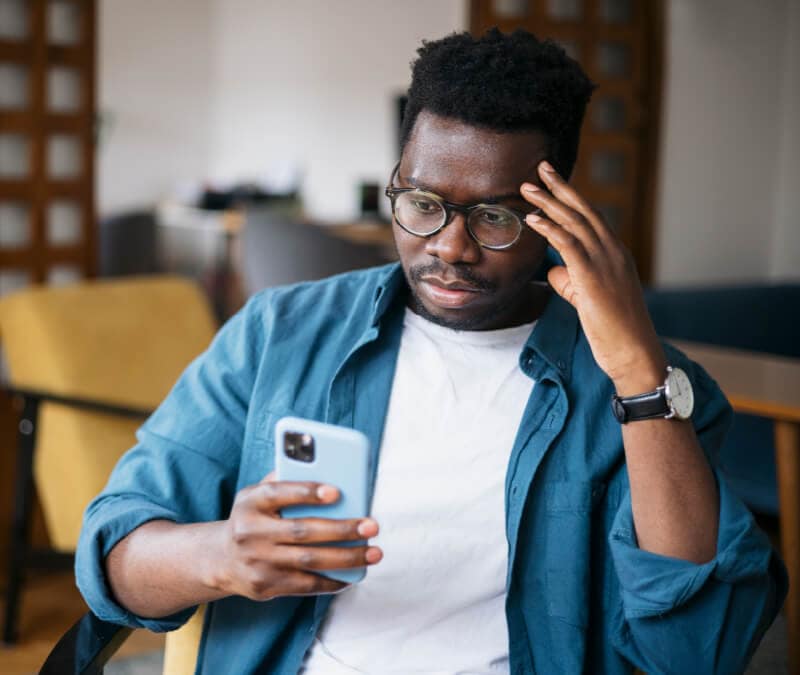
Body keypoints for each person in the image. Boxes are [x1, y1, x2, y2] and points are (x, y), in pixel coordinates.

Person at [76, 29, 786, 674]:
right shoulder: (280, 333)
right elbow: (113, 553)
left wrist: (638, 374)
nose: (450, 245)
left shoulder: (648, 389)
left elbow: (697, 650)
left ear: (557, 217)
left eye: (496, 216)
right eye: (422, 203)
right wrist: (222, 555)